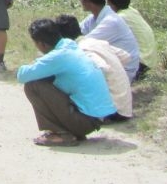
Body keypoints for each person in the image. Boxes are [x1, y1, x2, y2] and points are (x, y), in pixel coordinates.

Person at [15, 18, 116, 146]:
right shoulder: (70, 46)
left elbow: (22, 75)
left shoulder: (58, 56)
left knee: (33, 85)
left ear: (41, 44)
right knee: (46, 78)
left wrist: (39, 62)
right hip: (95, 118)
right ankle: (70, 130)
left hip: (85, 121)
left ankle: (61, 134)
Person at [55, 14, 133, 123]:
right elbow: (126, 57)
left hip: (113, 110)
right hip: (125, 107)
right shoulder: (98, 42)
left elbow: (102, 67)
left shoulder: (81, 50)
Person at [79, 0, 141, 81]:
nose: (80, 0)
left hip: (124, 71)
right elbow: (75, 33)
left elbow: (83, 44)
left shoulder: (111, 21)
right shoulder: (93, 17)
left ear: (88, 1)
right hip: (114, 64)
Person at [106, 0, 157, 79]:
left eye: (107, 2)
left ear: (111, 3)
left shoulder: (119, 18)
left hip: (139, 62)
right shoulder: (131, 10)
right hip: (148, 60)